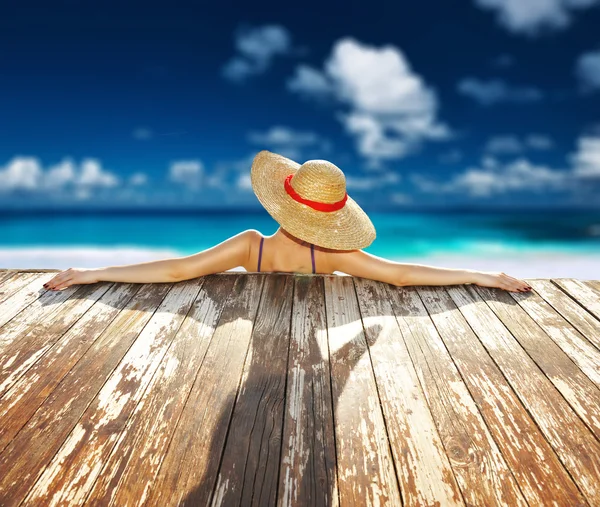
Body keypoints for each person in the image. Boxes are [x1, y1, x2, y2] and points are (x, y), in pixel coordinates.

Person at [42, 150, 532, 293]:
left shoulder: (250, 247)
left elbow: (176, 270)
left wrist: (93, 272)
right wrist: (479, 275)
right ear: (333, 217)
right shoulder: (336, 257)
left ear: (281, 202)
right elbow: (404, 274)